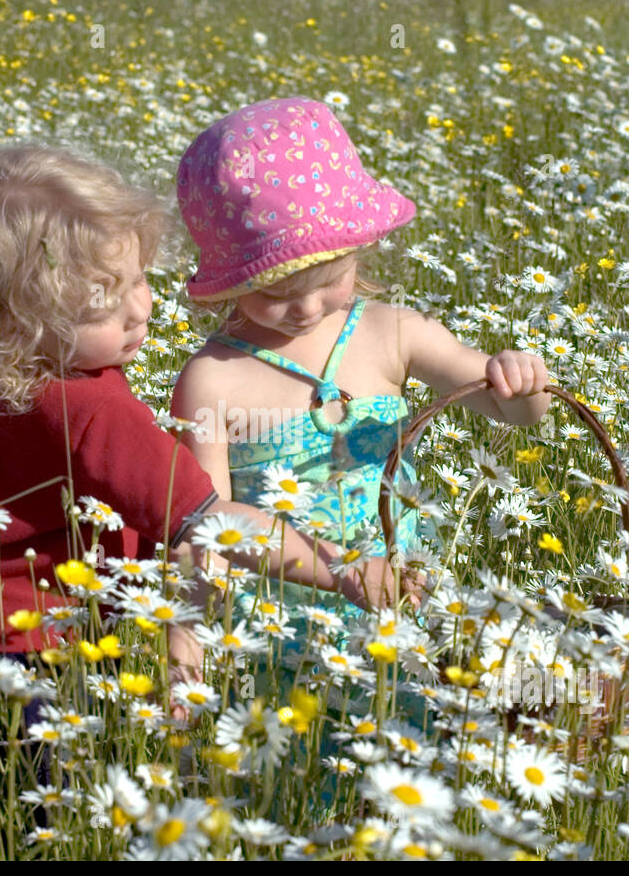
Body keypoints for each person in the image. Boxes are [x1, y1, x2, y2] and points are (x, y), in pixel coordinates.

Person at [0, 144, 409, 762]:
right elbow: (214, 520)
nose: (139, 308)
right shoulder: (96, 411)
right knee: (39, 814)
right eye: (104, 300)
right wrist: (344, 570)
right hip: (43, 651)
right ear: (21, 318)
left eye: (139, 278)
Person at [172, 97, 553, 642]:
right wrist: (189, 663)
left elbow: (512, 411)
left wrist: (520, 378)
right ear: (231, 283)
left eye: (328, 282)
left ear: (358, 249)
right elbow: (203, 527)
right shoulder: (213, 378)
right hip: (278, 637)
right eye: (275, 293)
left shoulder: (391, 333)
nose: (304, 309)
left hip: (407, 616)